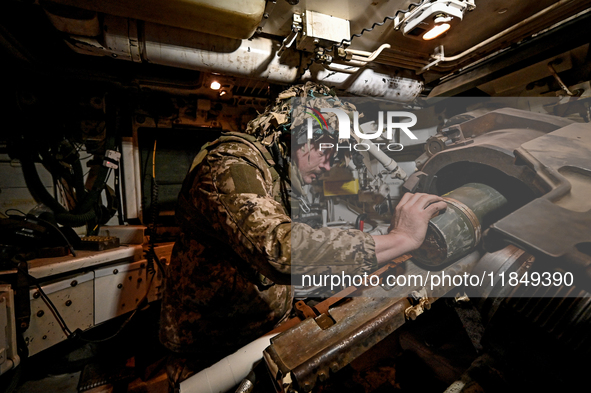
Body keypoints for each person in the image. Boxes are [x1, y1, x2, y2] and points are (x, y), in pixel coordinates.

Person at [159, 82, 446, 389]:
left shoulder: (284, 171)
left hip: (262, 330)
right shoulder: (229, 162)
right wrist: (401, 238)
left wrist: (401, 202)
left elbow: (358, 195)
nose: (328, 165)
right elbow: (281, 251)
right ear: (300, 136)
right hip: (208, 348)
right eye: (326, 151)